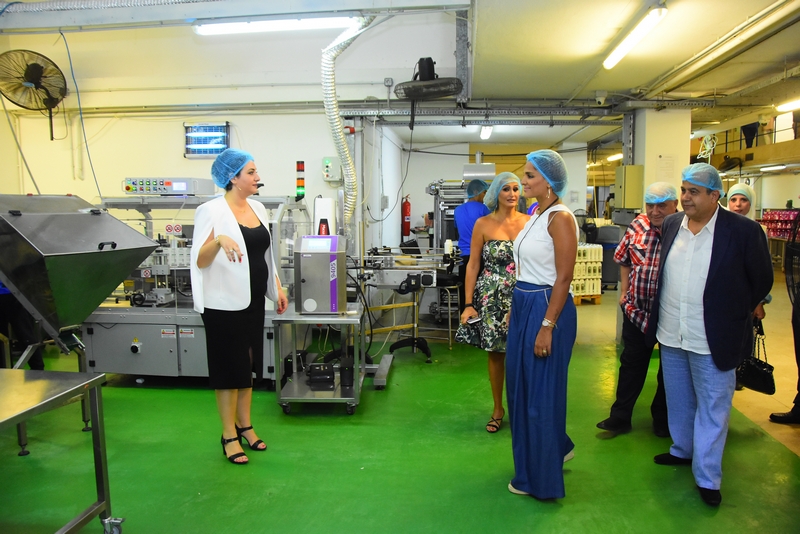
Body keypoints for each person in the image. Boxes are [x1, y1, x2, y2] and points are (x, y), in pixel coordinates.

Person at [647, 163, 772, 506]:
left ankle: (707, 477)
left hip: (713, 336)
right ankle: (682, 449)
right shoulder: (672, 224)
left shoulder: (743, 230)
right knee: (679, 400)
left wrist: (732, 312)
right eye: (683, 190)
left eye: (694, 192)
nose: (685, 197)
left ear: (715, 195)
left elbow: (761, 280)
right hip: (672, 332)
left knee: (713, 407)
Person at [190, 148, 289, 465]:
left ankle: (245, 425)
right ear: (233, 178)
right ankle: (228, 435)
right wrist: (219, 240)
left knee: (247, 365)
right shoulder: (211, 211)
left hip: (253, 301)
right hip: (223, 306)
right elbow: (199, 261)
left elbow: (265, 255)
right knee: (228, 370)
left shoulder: (257, 208)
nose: (257, 177)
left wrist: (276, 286)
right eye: (251, 172)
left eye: (256, 171)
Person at [506, 150, 578, 499]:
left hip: (547, 306)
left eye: (531, 175)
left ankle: (541, 480)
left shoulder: (560, 218)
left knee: (541, 395)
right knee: (521, 389)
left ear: (549, 182)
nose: (524, 181)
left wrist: (547, 325)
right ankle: (554, 449)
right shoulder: (537, 213)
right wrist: (514, 307)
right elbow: (527, 267)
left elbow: (563, 277)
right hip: (525, 303)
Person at [597, 182, 678, 437]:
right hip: (637, 312)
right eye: (650, 205)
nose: (655, 211)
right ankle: (620, 416)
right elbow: (623, 259)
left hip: (671, 315)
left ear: (675, 205)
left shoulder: (683, 228)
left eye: (661, 206)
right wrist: (624, 292)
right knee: (631, 364)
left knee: (669, 370)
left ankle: (662, 419)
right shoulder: (638, 225)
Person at [456, 172, 528, 434]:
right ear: (495, 193)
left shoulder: (530, 223)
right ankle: (498, 409)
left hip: (523, 294)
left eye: (516, 189)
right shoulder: (483, 224)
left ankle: (522, 409)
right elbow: (473, 265)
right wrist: (468, 304)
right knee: (496, 354)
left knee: (523, 353)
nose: (512, 194)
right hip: (492, 297)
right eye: (506, 189)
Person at [726, 182, 768, 321]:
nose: (738, 205)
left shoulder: (757, 231)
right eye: (733, 200)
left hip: (746, 297)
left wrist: (759, 301)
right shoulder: (720, 229)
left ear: (751, 203)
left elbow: (761, 270)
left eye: (743, 200)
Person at [454, 179, 490, 310]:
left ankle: (465, 320)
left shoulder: (458, 210)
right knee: (481, 297)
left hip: (463, 259)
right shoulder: (484, 209)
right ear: (476, 192)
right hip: (480, 258)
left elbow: (457, 230)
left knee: (466, 295)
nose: (485, 196)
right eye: (484, 193)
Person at [0, 280, 45, 370]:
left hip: (14, 294)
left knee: (25, 335)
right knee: (3, 339)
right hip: (14, 293)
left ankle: (38, 368)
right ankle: (4, 369)